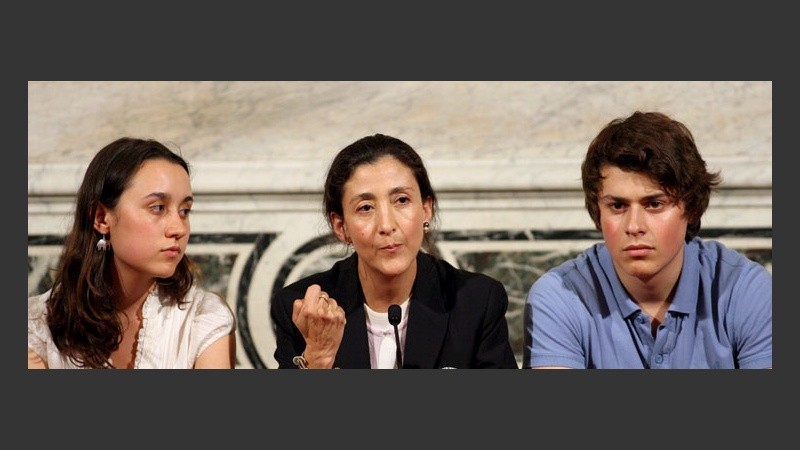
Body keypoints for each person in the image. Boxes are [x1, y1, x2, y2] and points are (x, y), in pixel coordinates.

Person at [523, 111, 772, 369]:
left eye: (654, 204)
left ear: (692, 209)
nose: (634, 227)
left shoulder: (745, 290)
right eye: (617, 206)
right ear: (598, 211)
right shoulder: (560, 294)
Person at [270, 133, 518, 368]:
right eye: (366, 208)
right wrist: (319, 356)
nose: (387, 225)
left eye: (401, 200)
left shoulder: (476, 301)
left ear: (426, 209)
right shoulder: (303, 312)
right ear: (341, 226)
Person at [28, 137, 236, 369]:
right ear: (101, 218)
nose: (178, 229)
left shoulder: (204, 318)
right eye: (158, 208)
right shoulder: (35, 326)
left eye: (184, 211)